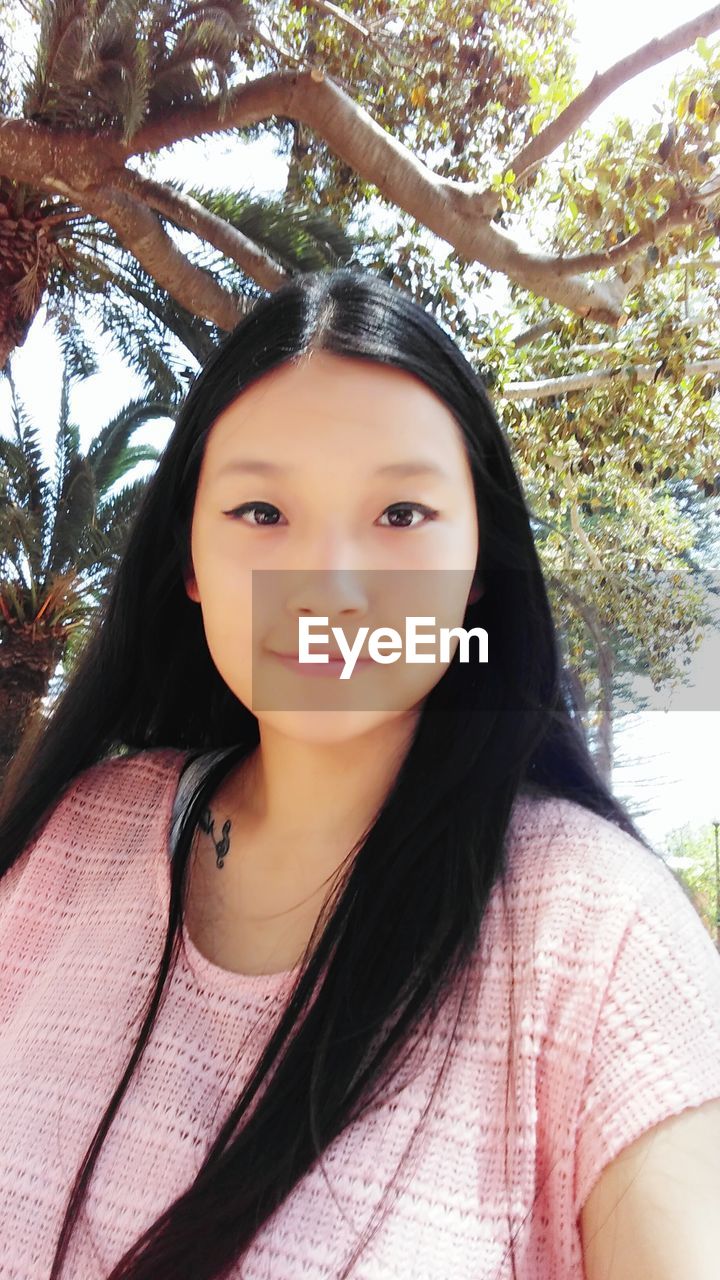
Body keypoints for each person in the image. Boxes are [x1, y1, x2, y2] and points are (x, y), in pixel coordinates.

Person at [1, 267, 719, 1280]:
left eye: (400, 515)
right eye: (261, 510)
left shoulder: (597, 933)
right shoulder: (75, 843)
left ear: (478, 567)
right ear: (191, 558)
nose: (329, 588)